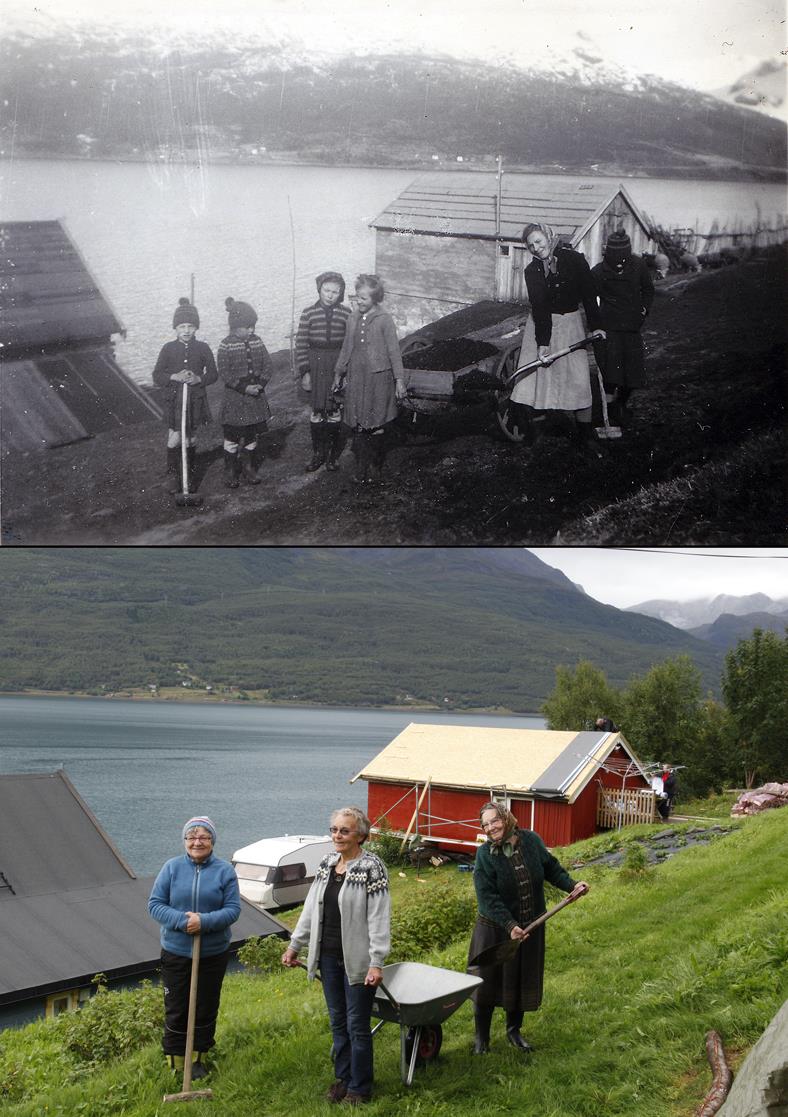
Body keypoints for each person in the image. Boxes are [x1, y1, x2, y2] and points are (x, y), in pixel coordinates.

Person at [281, 806, 391, 1105]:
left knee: (357, 1025)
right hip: (328, 957)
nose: (337, 836)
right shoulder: (328, 863)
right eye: (334, 830)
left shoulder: (372, 868)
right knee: (338, 1023)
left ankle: (360, 1087)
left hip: (357, 961)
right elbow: (311, 908)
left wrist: (376, 962)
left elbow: (379, 919)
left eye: (345, 830)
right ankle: (344, 1079)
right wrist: (295, 945)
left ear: (361, 836)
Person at [467, 801, 589, 1055]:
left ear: (507, 819)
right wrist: (510, 925)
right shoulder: (484, 856)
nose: (491, 828)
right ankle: (482, 1039)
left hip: (530, 926)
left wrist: (572, 886)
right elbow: (487, 898)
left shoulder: (531, 841)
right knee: (487, 983)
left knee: (519, 978)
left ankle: (513, 1031)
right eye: (486, 824)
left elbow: (551, 868)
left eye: (495, 821)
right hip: (495, 930)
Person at [148, 817, 241, 1081]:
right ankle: (176, 1060)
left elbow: (233, 910)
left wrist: (205, 922)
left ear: (212, 841)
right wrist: (183, 922)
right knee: (177, 1006)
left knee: (205, 1006)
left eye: (203, 837)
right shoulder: (171, 868)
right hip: (176, 951)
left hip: (212, 952)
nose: (197, 842)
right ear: (184, 841)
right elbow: (155, 905)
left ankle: (198, 1059)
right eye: (191, 837)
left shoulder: (224, 871)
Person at [508, 223, 605, 454]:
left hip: (571, 323)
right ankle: (536, 431)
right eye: (531, 245)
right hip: (541, 327)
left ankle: (585, 435)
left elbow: (590, 297)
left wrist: (597, 327)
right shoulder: (532, 271)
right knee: (536, 379)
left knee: (578, 378)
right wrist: (543, 343)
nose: (535, 248)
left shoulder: (574, 260)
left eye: (539, 242)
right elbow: (540, 307)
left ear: (549, 237)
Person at [332, 275, 407, 484]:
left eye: (364, 298)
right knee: (358, 423)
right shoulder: (352, 318)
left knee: (375, 423)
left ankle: (375, 463)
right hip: (357, 377)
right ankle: (362, 467)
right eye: (357, 297)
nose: (359, 301)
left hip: (378, 379)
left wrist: (399, 379)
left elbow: (394, 351)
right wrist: (339, 373)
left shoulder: (385, 320)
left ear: (375, 298)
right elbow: (346, 348)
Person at [152, 297, 217, 494]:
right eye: (182, 326)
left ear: (196, 327)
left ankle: (188, 474)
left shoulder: (203, 348)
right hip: (175, 399)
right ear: (176, 328)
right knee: (174, 437)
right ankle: (173, 475)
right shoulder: (168, 348)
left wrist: (199, 379)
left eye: (190, 326)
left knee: (190, 438)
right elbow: (157, 375)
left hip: (195, 398)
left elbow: (213, 374)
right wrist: (174, 376)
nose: (186, 330)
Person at [591, 229, 655, 428]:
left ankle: (620, 404)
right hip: (609, 329)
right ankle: (609, 413)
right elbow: (589, 299)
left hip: (632, 327)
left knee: (632, 376)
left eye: (623, 258)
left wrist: (644, 310)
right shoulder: (598, 272)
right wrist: (595, 325)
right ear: (607, 254)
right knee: (611, 374)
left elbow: (648, 289)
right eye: (614, 258)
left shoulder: (638, 266)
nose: (619, 263)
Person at [295, 271, 351, 473]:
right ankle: (319, 453)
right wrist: (305, 372)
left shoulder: (346, 314)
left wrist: (344, 372)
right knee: (318, 411)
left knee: (335, 410)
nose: (330, 295)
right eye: (326, 290)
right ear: (319, 289)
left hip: (336, 365)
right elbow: (300, 344)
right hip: (315, 365)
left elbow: (348, 344)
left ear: (341, 293)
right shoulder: (308, 313)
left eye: (335, 292)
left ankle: (333, 456)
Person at [218, 297, 274, 488]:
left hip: (255, 398)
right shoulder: (226, 345)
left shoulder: (257, 342)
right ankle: (231, 470)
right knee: (232, 436)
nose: (252, 330)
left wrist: (260, 384)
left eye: (253, 326)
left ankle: (248, 467)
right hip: (235, 399)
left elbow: (268, 365)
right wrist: (243, 388)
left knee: (251, 435)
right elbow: (224, 373)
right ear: (235, 327)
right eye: (247, 327)